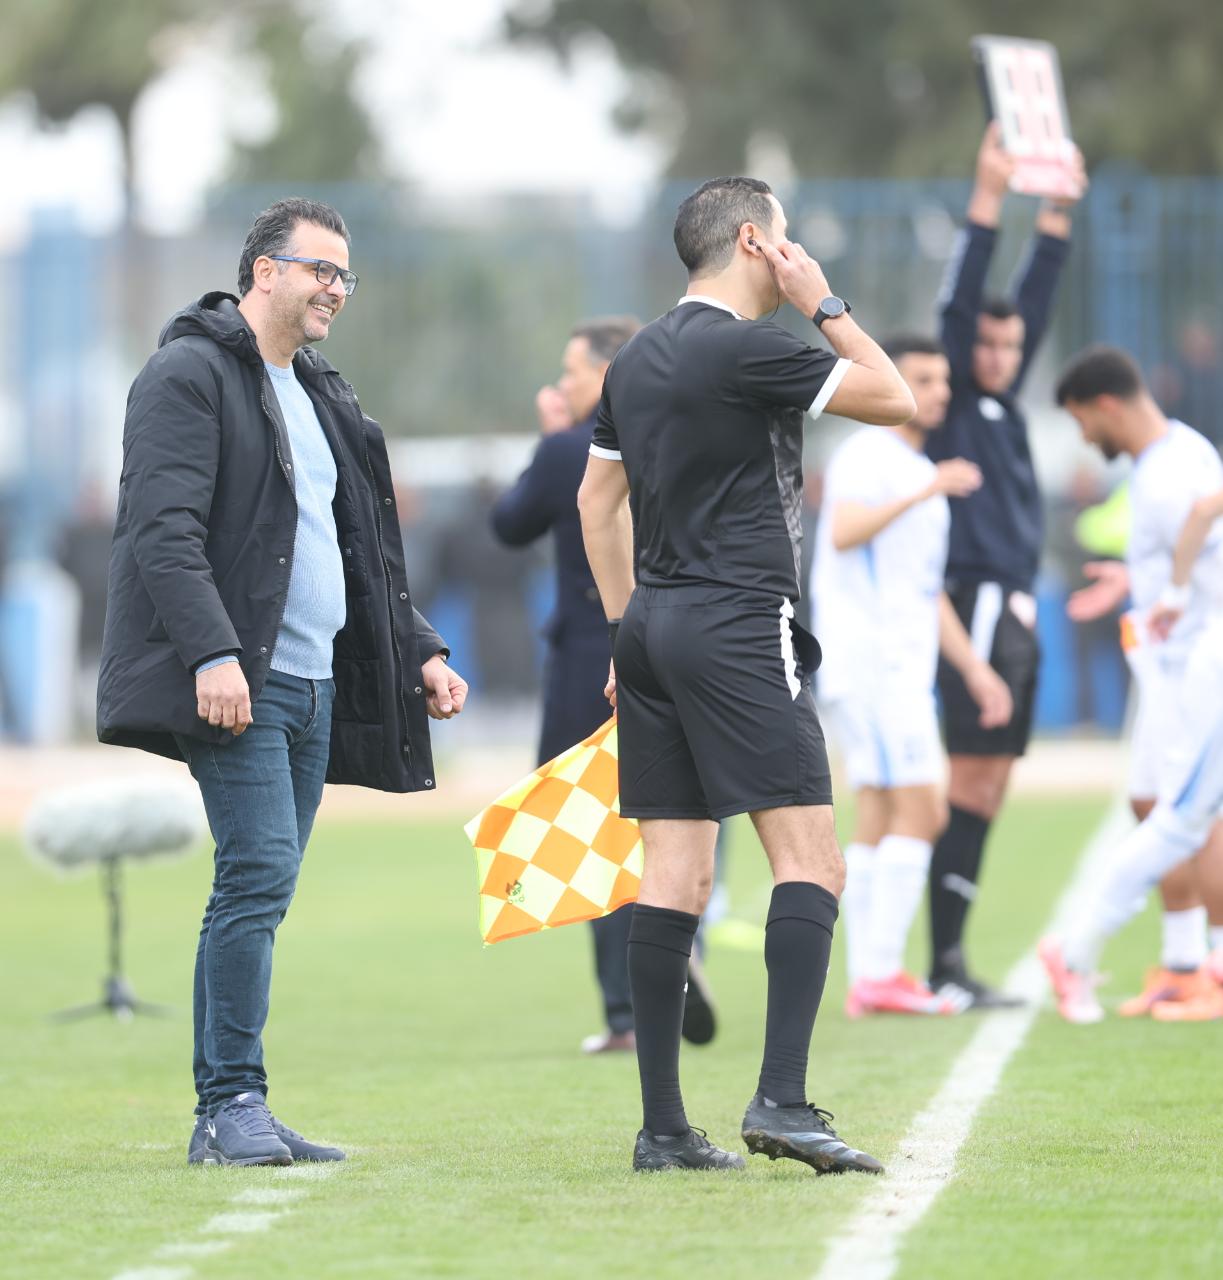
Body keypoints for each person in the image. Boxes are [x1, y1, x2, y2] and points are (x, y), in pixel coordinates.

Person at [97, 198, 468, 1166]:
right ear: (264, 271)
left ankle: (236, 1102)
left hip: (312, 682)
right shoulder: (187, 375)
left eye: (345, 275)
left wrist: (420, 649)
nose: (335, 290)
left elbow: (358, 548)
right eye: (319, 270)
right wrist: (212, 653)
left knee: (264, 884)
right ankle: (229, 1104)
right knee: (255, 873)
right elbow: (163, 532)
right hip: (243, 682)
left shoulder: (318, 390)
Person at [579, 175, 915, 1174]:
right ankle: (782, 1101)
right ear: (753, 242)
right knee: (812, 861)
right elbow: (894, 398)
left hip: (650, 626)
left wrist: (622, 629)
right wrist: (823, 301)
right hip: (735, 621)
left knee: (673, 874)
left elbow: (595, 502)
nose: (794, 248)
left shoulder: (633, 357)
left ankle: (662, 1130)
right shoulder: (750, 345)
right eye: (785, 235)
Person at [493, 315, 718, 1056]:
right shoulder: (690, 434)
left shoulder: (572, 448)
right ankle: (687, 943)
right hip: (689, 649)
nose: (561, 386)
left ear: (607, 373)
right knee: (687, 809)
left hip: (596, 663)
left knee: (598, 833)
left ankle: (626, 1013)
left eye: (572, 372)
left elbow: (508, 524)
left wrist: (551, 440)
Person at [924, 123, 1087, 1009]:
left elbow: (1034, 300)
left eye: (1007, 347)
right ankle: (941, 963)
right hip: (976, 606)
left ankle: (951, 961)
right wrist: (989, 196)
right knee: (967, 780)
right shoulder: (953, 405)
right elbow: (963, 305)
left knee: (988, 785)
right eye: (984, 347)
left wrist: (1056, 214)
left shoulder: (1004, 406)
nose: (996, 357)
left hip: (1015, 607)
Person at [813, 336, 1013, 1018]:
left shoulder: (916, 466)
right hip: (873, 663)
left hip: (899, 665)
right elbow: (843, 531)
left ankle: (869, 978)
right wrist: (924, 489)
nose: (938, 392)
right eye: (923, 379)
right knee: (925, 810)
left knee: (878, 811)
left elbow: (925, 592)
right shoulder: (868, 454)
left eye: (941, 380)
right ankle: (879, 973)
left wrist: (975, 670)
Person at [1041, 346, 1223, 1022]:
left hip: (1192, 662)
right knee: (1171, 811)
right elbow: (1199, 531)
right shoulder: (1175, 456)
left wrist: (1168, 592)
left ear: (1105, 405)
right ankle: (1177, 963)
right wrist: (1149, 583)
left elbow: (1202, 520)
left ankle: (1181, 965)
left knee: (1184, 816)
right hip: (1181, 665)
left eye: (1080, 420)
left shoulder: (1170, 468)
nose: (1084, 437)